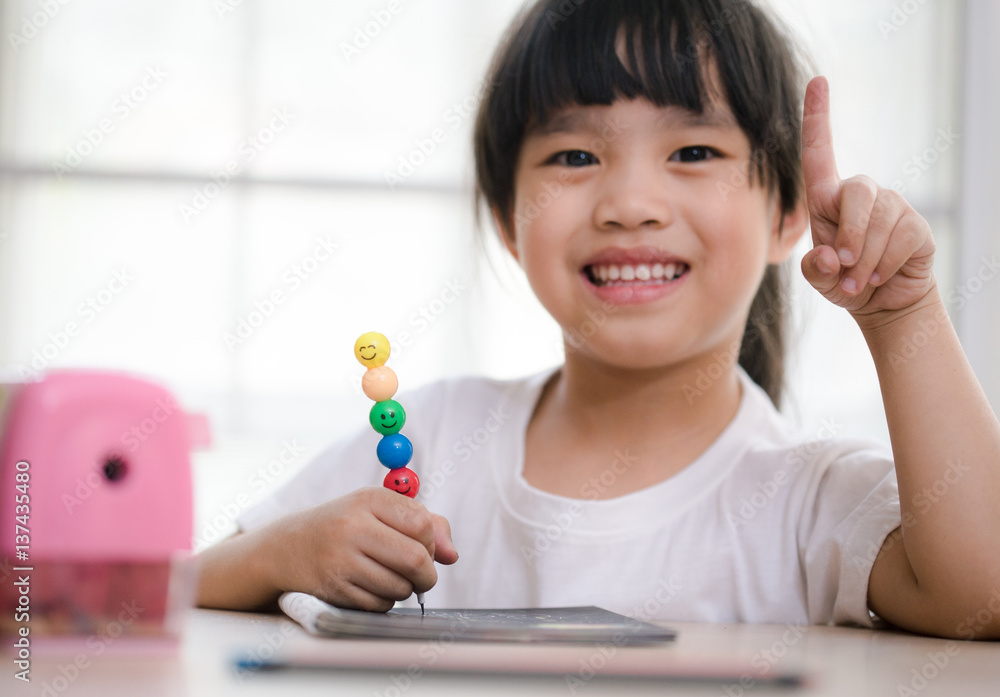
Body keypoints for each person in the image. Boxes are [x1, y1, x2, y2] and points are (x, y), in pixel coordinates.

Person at [197, 0, 1000, 639]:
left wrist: (904, 319)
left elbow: (983, 595)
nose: (629, 206)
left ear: (787, 213)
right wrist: (279, 554)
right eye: (575, 157)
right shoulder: (431, 434)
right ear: (510, 222)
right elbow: (171, 590)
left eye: (692, 153)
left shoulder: (805, 499)